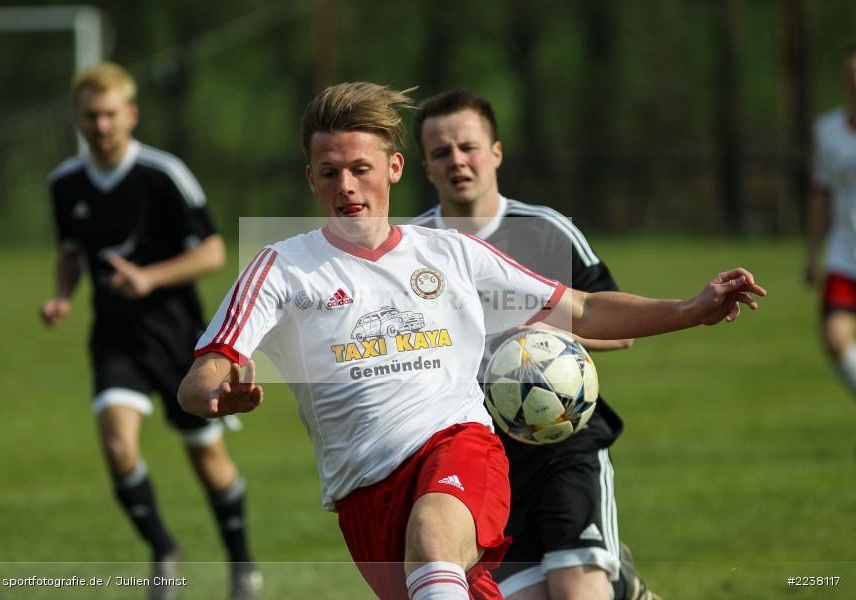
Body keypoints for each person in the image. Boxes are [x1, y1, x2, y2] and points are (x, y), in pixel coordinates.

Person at [177, 81, 765, 600]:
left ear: (394, 168)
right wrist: (212, 393)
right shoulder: (282, 267)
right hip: (363, 495)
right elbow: (206, 367)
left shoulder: (449, 253)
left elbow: (581, 309)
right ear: (310, 178)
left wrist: (691, 310)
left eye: (361, 168)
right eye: (329, 172)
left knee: (434, 541)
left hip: (460, 446)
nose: (346, 186)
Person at [410, 89, 658, 600]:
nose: (457, 160)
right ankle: (622, 583)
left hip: (562, 445)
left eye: (468, 146)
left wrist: (540, 338)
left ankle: (611, 579)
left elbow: (618, 324)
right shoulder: (412, 251)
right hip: (478, 459)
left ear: (495, 152)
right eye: (441, 152)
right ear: (424, 167)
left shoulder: (546, 231)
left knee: (576, 592)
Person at [41, 62, 261, 600]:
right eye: (91, 116)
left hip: (179, 340)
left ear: (131, 115)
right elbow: (71, 253)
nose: (101, 126)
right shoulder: (64, 183)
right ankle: (164, 549)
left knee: (208, 461)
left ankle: (242, 565)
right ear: (79, 118)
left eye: (111, 114)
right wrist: (62, 296)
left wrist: (150, 278)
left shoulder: (164, 174)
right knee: (117, 445)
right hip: (115, 341)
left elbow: (211, 251)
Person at [805, 45, 856, 401]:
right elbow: (820, 193)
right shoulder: (827, 131)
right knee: (835, 338)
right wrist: (811, 254)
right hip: (844, 254)